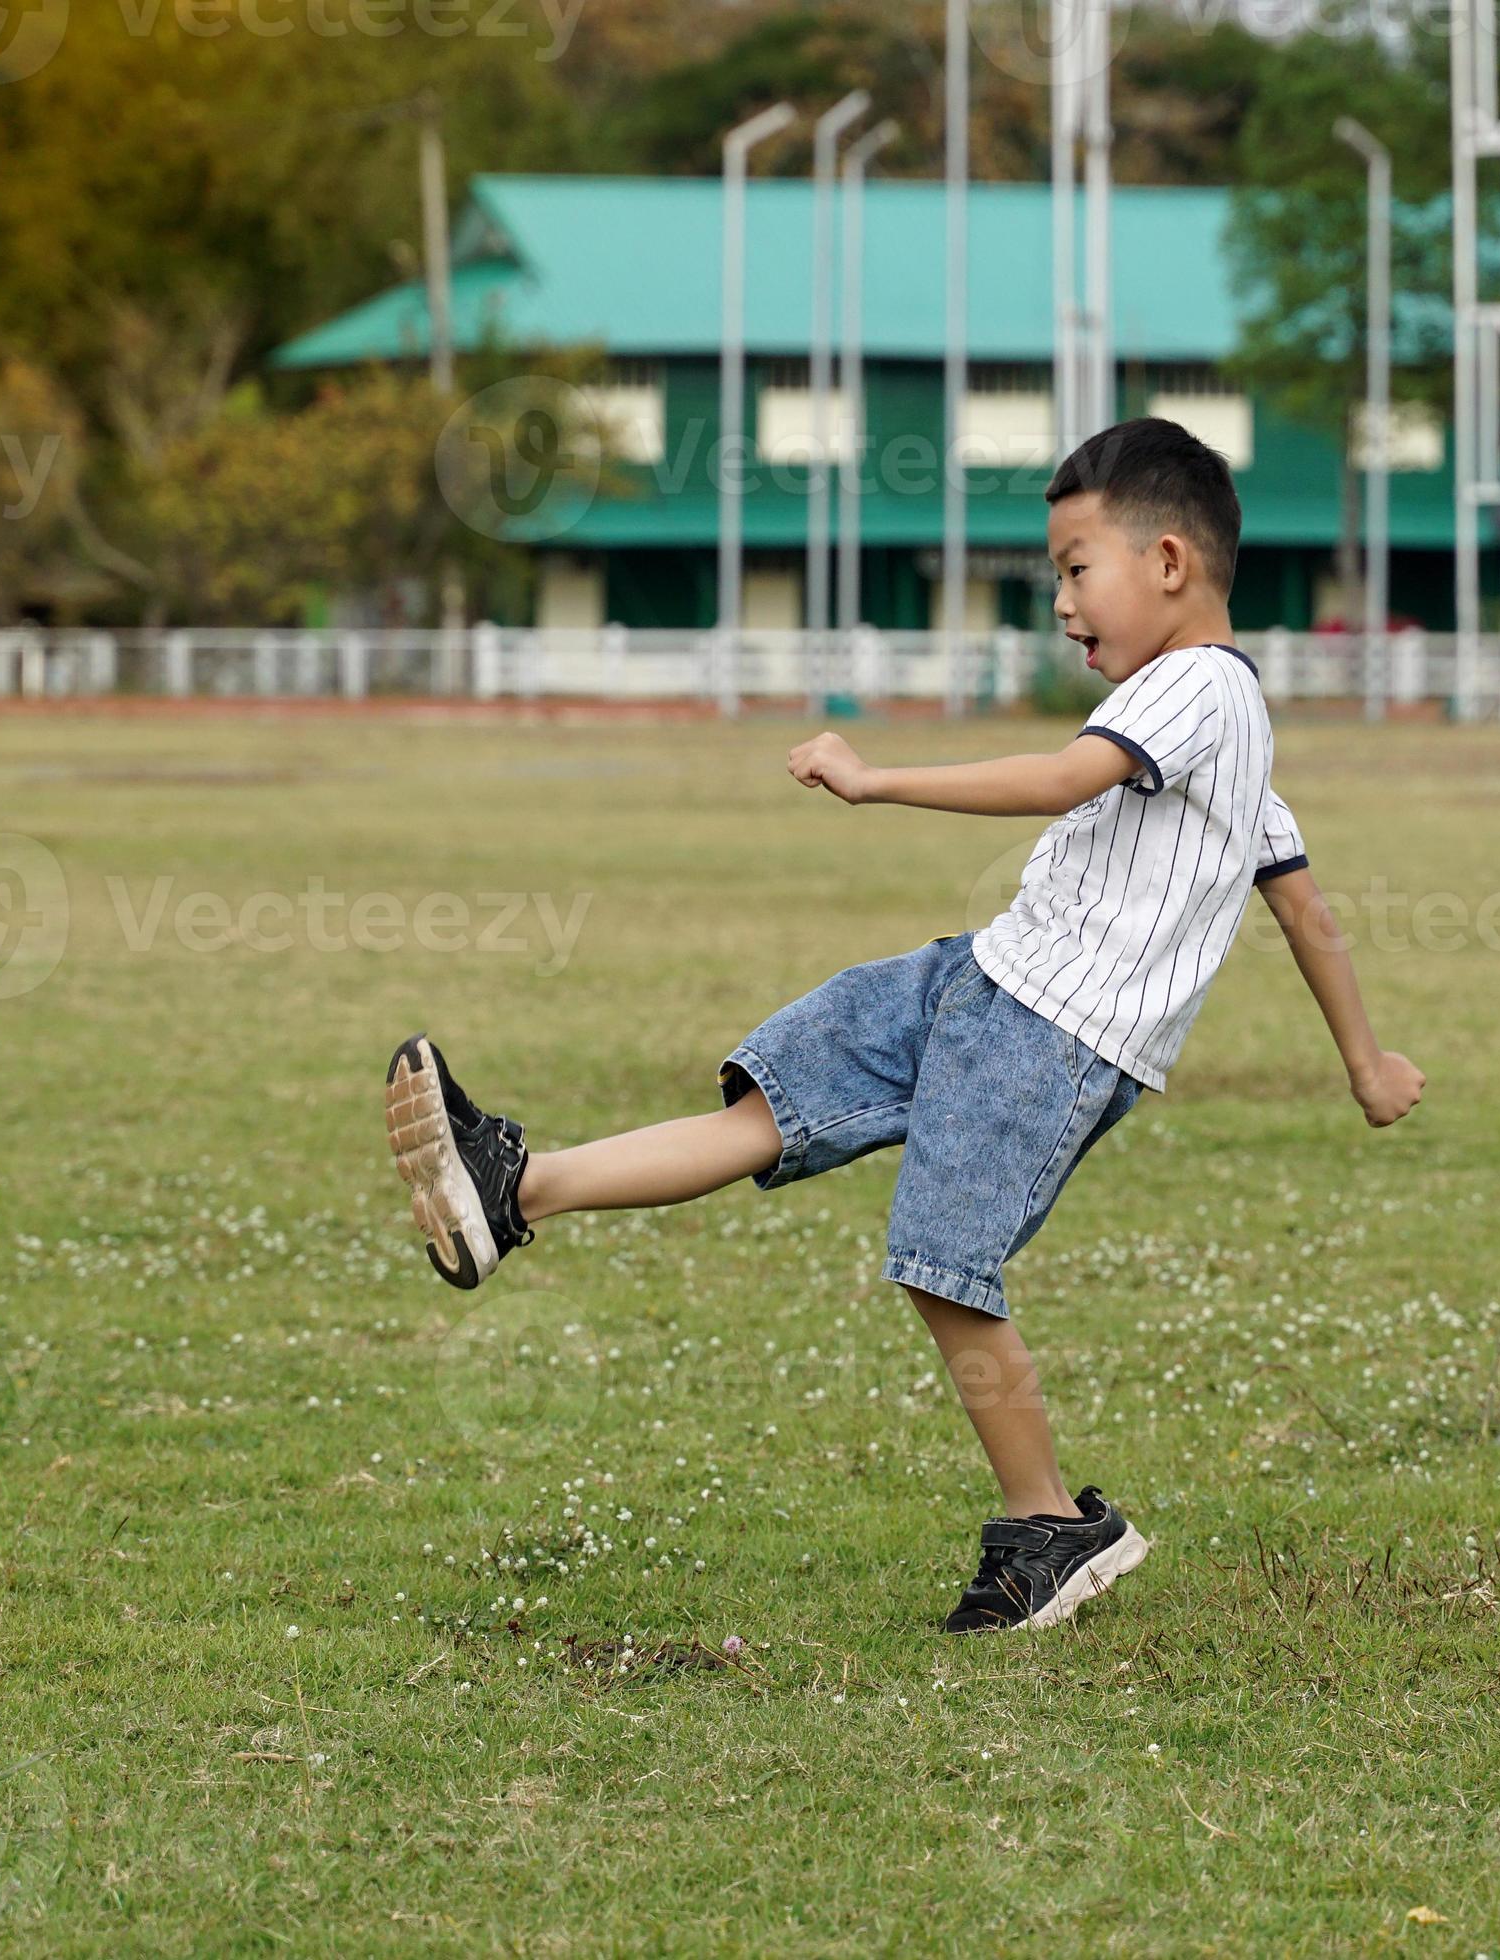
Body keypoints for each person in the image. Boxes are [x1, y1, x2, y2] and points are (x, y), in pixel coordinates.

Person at [385, 417, 1424, 1634]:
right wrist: (1366, 1061)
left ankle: (1052, 1528)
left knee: (944, 1261)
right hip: (977, 983)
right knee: (770, 1108)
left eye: (1077, 568)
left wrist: (877, 781)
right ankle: (516, 1190)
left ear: (1171, 563)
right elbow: (1299, 903)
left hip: (1056, 1035)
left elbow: (1059, 778)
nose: (1061, 601)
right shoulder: (1211, 736)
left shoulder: (1201, 690)